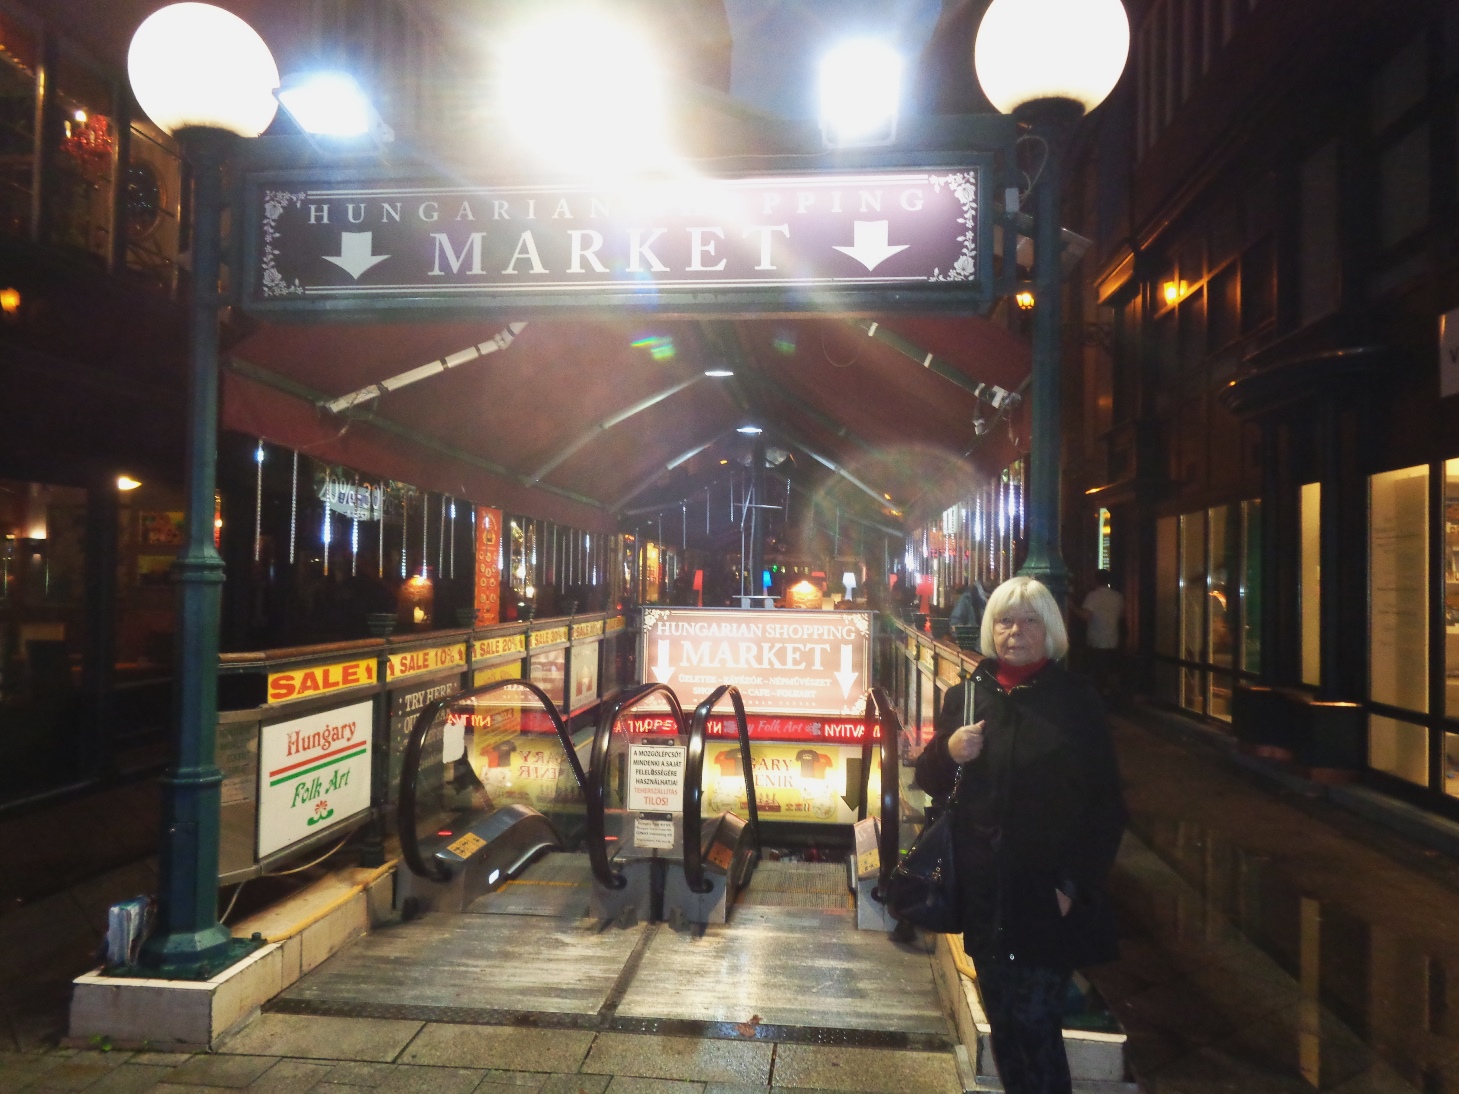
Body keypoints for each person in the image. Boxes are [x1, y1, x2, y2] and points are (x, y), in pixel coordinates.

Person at [915, 576, 1126, 1094]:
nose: (1016, 632)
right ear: (991, 628)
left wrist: (1071, 885)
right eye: (1005, 621)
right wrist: (949, 751)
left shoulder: (1074, 700)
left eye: (1030, 621)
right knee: (1004, 1026)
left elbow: (1106, 805)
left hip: (1043, 892)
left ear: (1050, 630)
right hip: (985, 894)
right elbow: (931, 781)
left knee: (1037, 1026)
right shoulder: (967, 697)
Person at [1075, 570, 1125, 705]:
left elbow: (1085, 616)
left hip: (1097, 642)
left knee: (1096, 674)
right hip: (1113, 641)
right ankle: (1113, 700)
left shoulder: (1093, 596)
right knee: (1111, 672)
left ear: (1095, 580)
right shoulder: (1118, 596)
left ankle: (1098, 701)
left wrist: (1072, 607)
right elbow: (1121, 616)